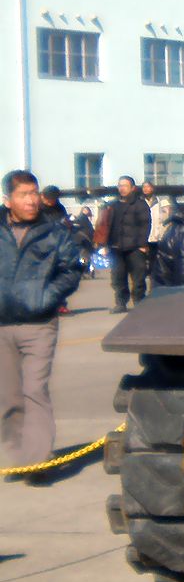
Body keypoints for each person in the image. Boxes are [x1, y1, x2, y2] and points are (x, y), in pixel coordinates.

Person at [0, 169, 82, 480]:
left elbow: (71, 269)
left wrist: (47, 296)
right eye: (24, 195)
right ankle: (17, 457)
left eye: (34, 193)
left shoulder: (54, 232)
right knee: (8, 396)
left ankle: (37, 461)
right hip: (2, 324)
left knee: (34, 389)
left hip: (39, 323)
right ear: (8, 200)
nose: (32, 200)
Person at [105, 175, 152, 313]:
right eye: (120, 185)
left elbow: (145, 225)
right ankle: (121, 303)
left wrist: (142, 244)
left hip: (135, 247)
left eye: (125, 186)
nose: (122, 188)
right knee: (118, 277)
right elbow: (107, 226)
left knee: (138, 277)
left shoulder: (140, 204)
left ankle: (139, 301)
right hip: (116, 247)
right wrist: (106, 244)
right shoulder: (113, 205)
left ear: (133, 188)